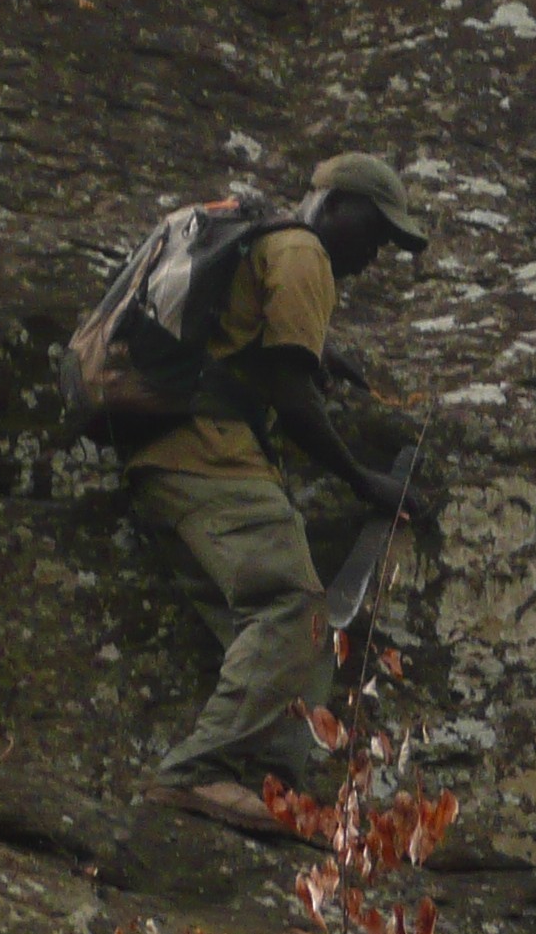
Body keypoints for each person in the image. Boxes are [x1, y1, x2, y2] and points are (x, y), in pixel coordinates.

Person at [128, 153, 425, 834]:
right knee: (293, 606)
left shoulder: (262, 245)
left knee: (277, 631)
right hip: (212, 456)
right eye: (376, 234)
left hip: (161, 456)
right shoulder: (303, 251)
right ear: (338, 206)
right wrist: (363, 480)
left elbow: (243, 344)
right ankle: (199, 773)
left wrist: (317, 350)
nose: (376, 254)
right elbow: (290, 397)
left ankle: (268, 786)